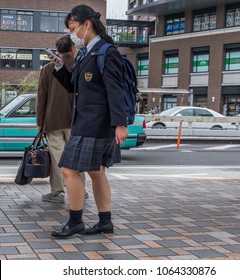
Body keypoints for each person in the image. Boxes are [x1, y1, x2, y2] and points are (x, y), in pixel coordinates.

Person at [50, 4, 128, 238]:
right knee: (96, 172)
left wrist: (121, 123)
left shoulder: (107, 51)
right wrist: (60, 65)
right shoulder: (86, 52)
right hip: (88, 122)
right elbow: (77, 88)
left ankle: (75, 221)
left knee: (68, 169)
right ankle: (105, 222)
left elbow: (115, 89)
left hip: (95, 123)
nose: (71, 34)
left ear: (87, 24)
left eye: (73, 28)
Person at [36, 34, 87, 203]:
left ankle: (57, 192)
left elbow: (41, 98)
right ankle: (80, 190)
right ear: (73, 49)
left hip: (53, 121)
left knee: (58, 158)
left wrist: (40, 123)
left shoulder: (48, 69)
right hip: (76, 121)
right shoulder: (80, 67)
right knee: (76, 156)